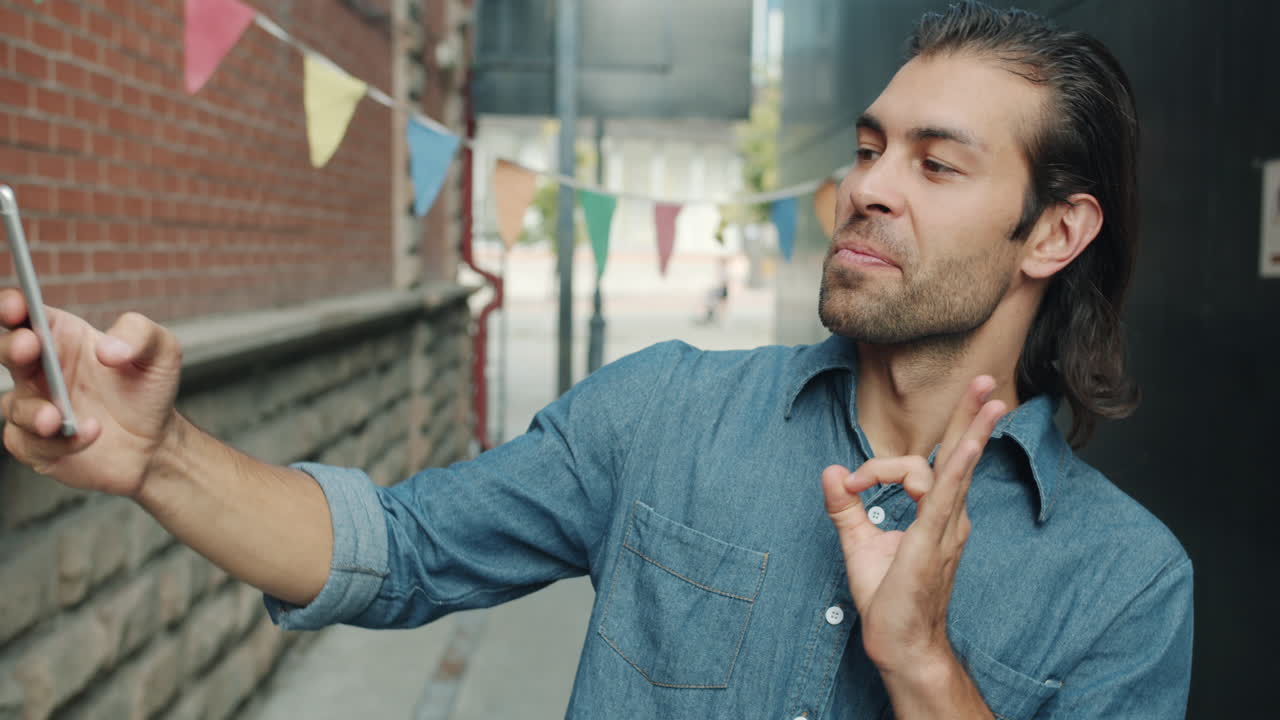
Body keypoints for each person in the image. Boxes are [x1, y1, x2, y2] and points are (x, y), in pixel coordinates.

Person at [0, 3, 1191, 718]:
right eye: (870, 146)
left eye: (934, 165)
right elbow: (395, 551)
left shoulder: (1125, 586)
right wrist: (156, 456)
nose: (867, 186)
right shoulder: (664, 411)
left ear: (1052, 231)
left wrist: (922, 667)